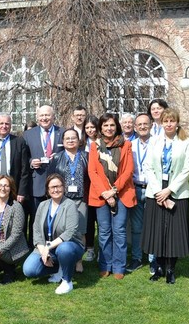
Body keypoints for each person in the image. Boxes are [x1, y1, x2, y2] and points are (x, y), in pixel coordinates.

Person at [141, 108, 189, 284]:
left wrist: (169, 190)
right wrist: (158, 191)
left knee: (173, 233)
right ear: (161, 123)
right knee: (157, 232)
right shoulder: (154, 141)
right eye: (166, 121)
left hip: (176, 192)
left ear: (177, 122)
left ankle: (171, 269)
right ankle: (159, 267)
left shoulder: (186, 142)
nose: (169, 124)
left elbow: (187, 169)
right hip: (156, 191)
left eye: (172, 121)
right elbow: (147, 166)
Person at [88, 113, 136, 279]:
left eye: (112, 125)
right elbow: (92, 172)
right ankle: (105, 264)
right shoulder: (95, 146)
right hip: (101, 195)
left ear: (117, 127)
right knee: (104, 231)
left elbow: (128, 171)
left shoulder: (126, 145)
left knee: (119, 231)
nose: (109, 128)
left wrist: (114, 190)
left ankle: (119, 266)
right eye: (105, 125)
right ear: (100, 127)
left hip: (121, 193)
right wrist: (105, 193)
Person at [23, 174, 85, 295]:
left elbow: (70, 232)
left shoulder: (70, 205)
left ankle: (67, 280)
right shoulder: (42, 205)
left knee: (64, 249)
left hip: (70, 246)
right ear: (47, 190)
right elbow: (36, 230)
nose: (55, 190)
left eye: (58, 186)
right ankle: (59, 268)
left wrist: (48, 247)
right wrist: (43, 251)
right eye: (52, 187)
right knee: (28, 270)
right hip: (48, 248)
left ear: (64, 187)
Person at [48, 128, 88, 273]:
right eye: (67, 139)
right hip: (63, 201)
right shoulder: (57, 158)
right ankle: (62, 260)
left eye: (73, 138)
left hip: (80, 200)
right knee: (62, 230)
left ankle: (78, 261)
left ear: (79, 141)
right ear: (63, 142)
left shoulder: (86, 156)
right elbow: (51, 178)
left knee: (80, 231)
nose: (71, 141)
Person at [23, 105, 65, 240]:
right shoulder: (28, 134)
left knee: (57, 216)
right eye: (41, 115)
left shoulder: (63, 132)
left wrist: (59, 156)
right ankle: (35, 243)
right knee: (37, 216)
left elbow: (68, 152)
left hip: (57, 180)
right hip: (37, 181)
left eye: (47, 115)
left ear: (53, 117)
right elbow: (24, 156)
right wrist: (31, 162)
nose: (44, 118)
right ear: (37, 117)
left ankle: (55, 242)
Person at [126, 112, 158, 274]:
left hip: (153, 190)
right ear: (135, 128)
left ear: (151, 125)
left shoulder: (158, 143)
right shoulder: (130, 145)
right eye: (139, 125)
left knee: (152, 226)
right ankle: (137, 258)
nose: (142, 127)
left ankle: (153, 260)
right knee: (137, 227)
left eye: (145, 124)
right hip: (136, 189)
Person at [0, 113, 30, 203]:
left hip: (12, 188)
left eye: (7, 124)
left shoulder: (19, 142)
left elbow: (24, 170)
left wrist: (21, 192)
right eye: (1, 123)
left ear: (10, 126)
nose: (4, 126)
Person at [82, 114, 100, 262]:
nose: (90, 130)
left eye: (92, 127)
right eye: (87, 127)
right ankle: (90, 249)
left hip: (100, 185)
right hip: (86, 186)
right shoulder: (82, 144)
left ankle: (102, 249)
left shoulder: (102, 143)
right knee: (88, 220)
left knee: (102, 221)